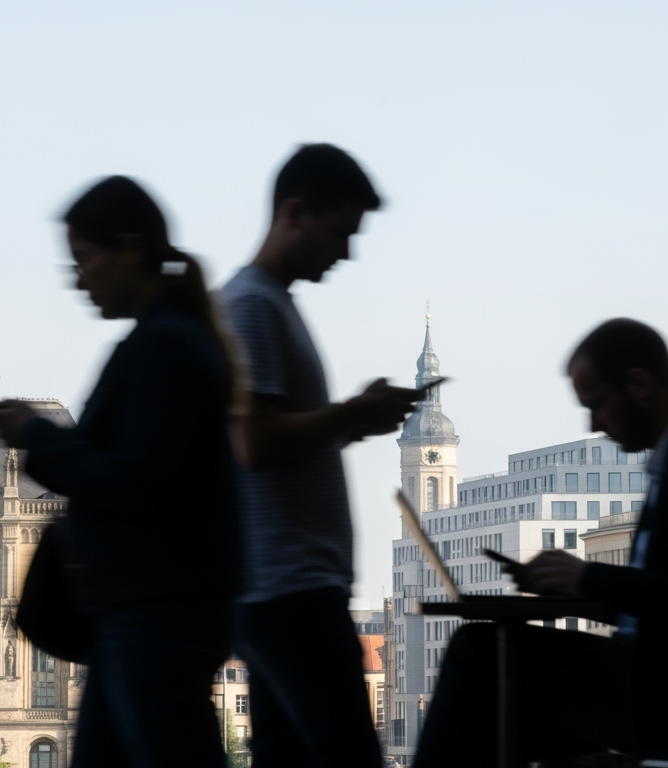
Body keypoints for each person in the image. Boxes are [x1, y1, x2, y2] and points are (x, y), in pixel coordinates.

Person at [415, 319, 668, 766]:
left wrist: (588, 577)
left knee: (478, 657)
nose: (593, 422)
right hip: (660, 675)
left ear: (639, 384)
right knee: (488, 702)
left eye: (599, 404)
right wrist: (571, 584)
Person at [0, 176, 240, 768]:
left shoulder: (165, 347)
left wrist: (35, 437)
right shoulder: (169, 339)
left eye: (85, 258)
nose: (78, 278)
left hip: (155, 613)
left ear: (127, 249)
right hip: (140, 613)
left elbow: (138, 483)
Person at [218, 144, 422, 768]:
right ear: (295, 213)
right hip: (295, 592)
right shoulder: (253, 306)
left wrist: (347, 422)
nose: (347, 252)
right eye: (340, 231)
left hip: (286, 590)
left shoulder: (267, 304)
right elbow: (256, 441)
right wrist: (354, 414)